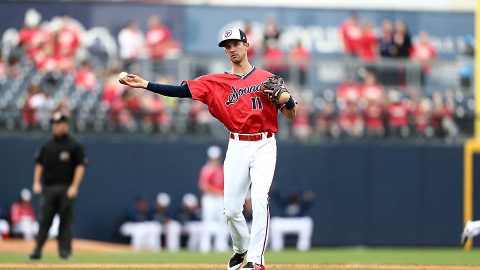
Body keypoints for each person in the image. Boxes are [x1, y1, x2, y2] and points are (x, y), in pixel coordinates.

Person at [119, 28, 297, 270]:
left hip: (265, 143)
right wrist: (147, 84)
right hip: (237, 144)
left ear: (246, 45)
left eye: (235, 43)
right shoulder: (214, 83)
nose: (232, 49)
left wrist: (289, 100)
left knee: (259, 198)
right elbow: (182, 91)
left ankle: (256, 260)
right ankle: (241, 248)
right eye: (227, 45)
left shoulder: (267, 78)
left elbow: (290, 115)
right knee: (231, 210)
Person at [29, 111, 87, 260]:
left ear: (66, 125)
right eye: (53, 124)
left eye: (58, 124)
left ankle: (65, 251)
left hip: (66, 187)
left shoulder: (74, 145)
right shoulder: (47, 145)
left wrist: (74, 186)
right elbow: (39, 164)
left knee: (66, 220)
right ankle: (37, 250)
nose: (55, 127)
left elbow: (80, 166)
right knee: (44, 220)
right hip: (49, 188)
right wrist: (36, 182)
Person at [198, 145, 229, 253]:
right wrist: (219, 192)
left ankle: (221, 245)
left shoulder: (222, 169)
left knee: (222, 221)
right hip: (210, 198)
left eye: (216, 158)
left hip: (220, 199)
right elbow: (203, 186)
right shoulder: (206, 169)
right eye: (213, 158)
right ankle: (205, 245)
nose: (215, 160)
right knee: (207, 221)